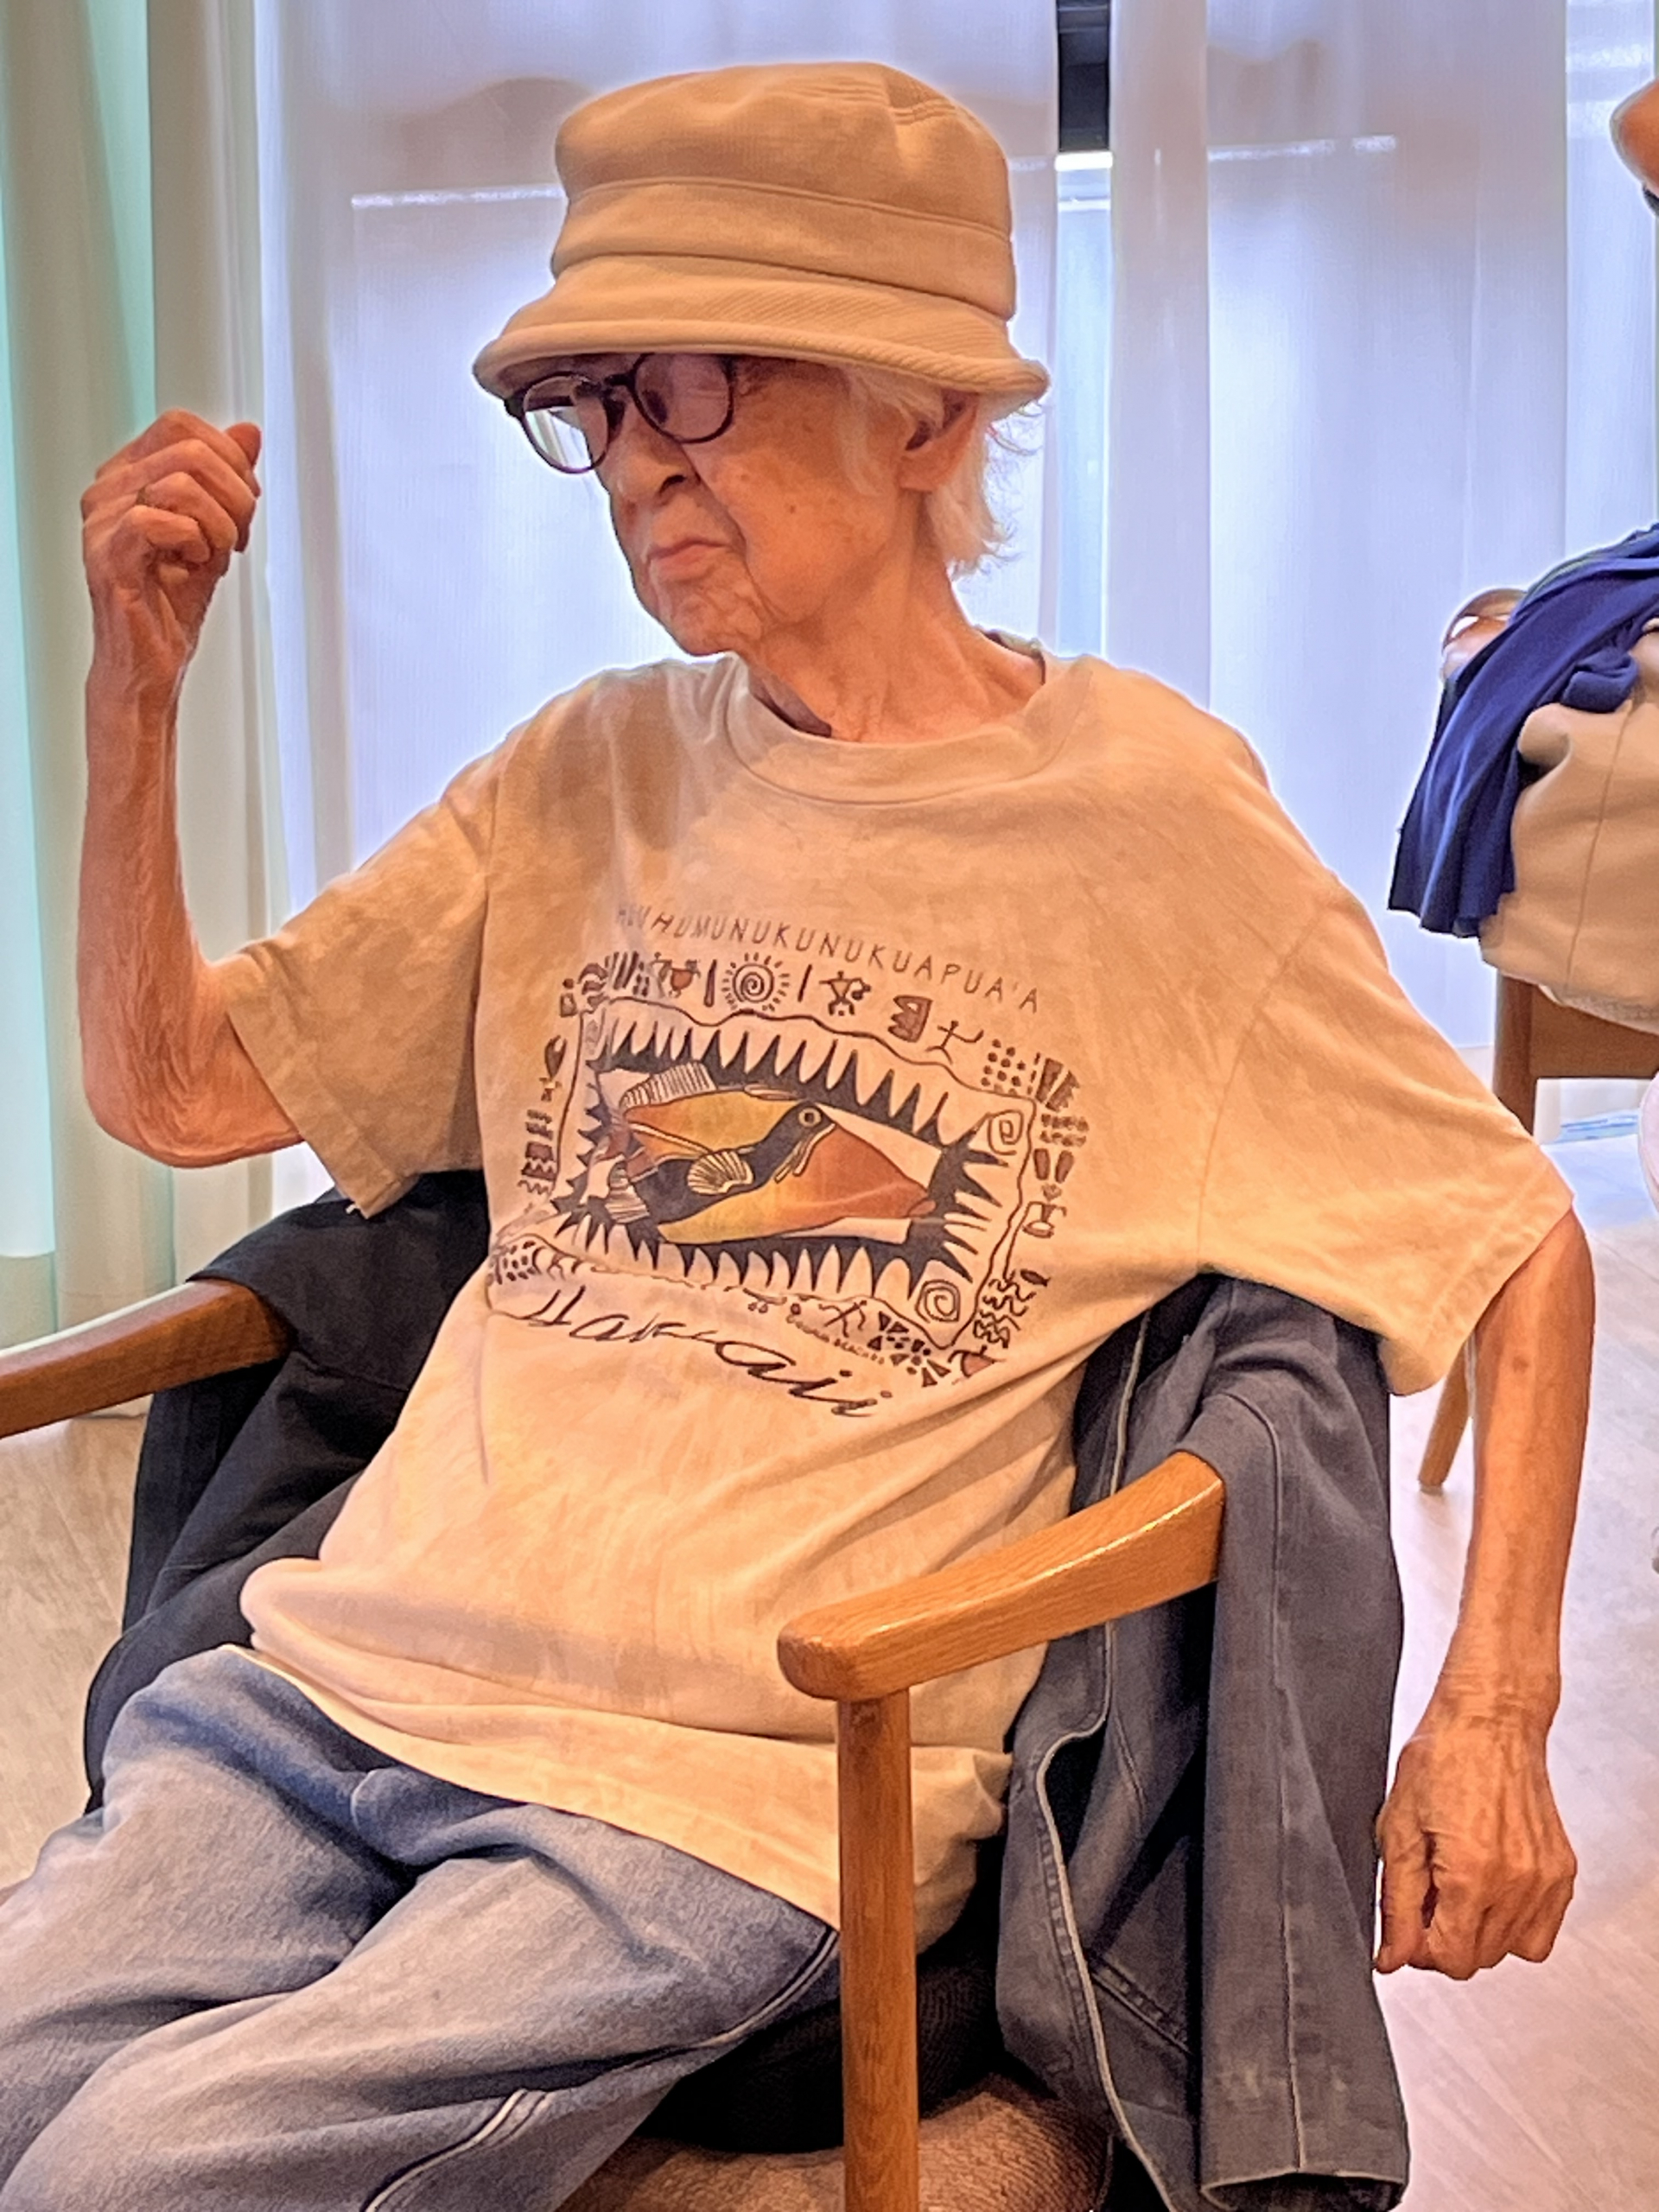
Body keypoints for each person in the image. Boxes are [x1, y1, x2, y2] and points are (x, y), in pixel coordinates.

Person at [1, 60, 1589, 2212]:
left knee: (130, 2173)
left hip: (713, 1799)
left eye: (697, 387)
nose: (640, 463)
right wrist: (133, 694)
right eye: (599, 409)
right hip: (335, 1686)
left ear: (925, 416)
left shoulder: (1147, 823)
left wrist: (1495, 1711)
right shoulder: (583, 773)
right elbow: (178, 1091)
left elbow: (1514, 1240)